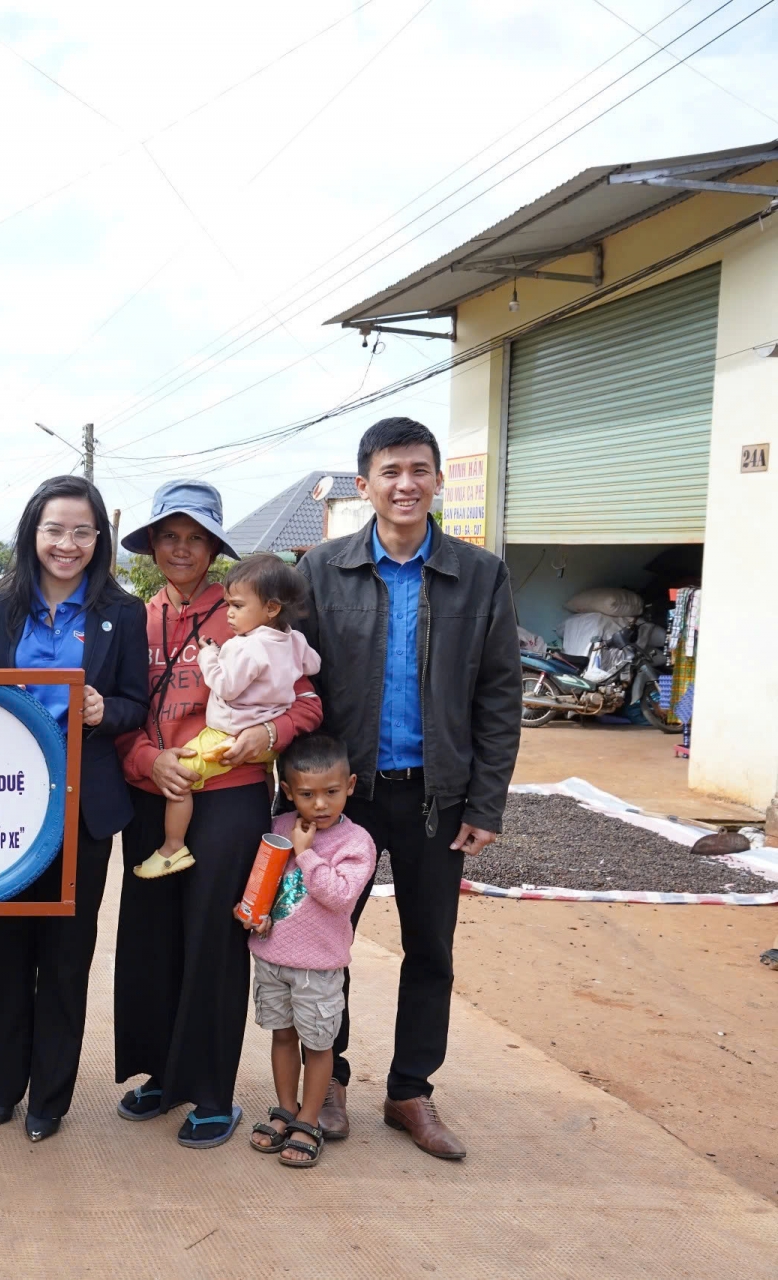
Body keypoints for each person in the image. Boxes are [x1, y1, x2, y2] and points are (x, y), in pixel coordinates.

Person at [296, 417, 521, 1160]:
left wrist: (485, 802)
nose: (406, 484)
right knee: (327, 944)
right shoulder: (321, 572)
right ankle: (329, 1081)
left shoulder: (479, 573)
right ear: (364, 485)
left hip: (438, 799)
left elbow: (498, 694)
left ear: (437, 481)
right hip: (344, 799)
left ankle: (410, 1091)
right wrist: (296, 794)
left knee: (431, 950)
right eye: (390, 471)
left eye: (419, 470)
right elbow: (294, 688)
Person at [112, 479, 322, 1150]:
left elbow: (308, 704)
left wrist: (269, 738)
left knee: (212, 939)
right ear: (151, 545)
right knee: (151, 940)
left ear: (213, 548)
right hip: (153, 796)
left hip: (228, 796)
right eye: (169, 536)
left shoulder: (247, 615)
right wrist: (147, 758)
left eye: (195, 537)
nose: (181, 549)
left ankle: (210, 1090)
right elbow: (117, 710)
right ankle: (164, 1076)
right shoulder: (134, 618)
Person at [0, 476, 148, 1143]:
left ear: (98, 539)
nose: (67, 543)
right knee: (6, 949)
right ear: (32, 533)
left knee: (68, 956)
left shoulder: (121, 613)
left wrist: (109, 710)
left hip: (85, 805)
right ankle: (0, 1085)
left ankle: (49, 1097)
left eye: (81, 531)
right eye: (54, 529)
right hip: (6, 806)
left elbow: (137, 700)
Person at [135, 554, 321, 879]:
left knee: (182, 778)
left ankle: (172, 847)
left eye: (235, 606)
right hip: (261, 750)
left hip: (227, 739)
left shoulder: (246, 645)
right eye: (169, 537)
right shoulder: (292, 639)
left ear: (271, 608)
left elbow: (226, 685)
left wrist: (209, 654)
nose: (230, 614)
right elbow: (312, 665)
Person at [243, 732, 375, 1170]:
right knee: (281, 1036)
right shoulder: (280, 828)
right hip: (272, 958)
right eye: (307, 794)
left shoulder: (355, 843)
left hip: (318, 968)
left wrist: (307, 854)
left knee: (319, 1046)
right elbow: (267, 887)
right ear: (287, 791)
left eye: (331, 793)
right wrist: (255, 914)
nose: (320, 804)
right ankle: (286, 1110)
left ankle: (310, 1118)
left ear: (350, 786)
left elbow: (338, 897)